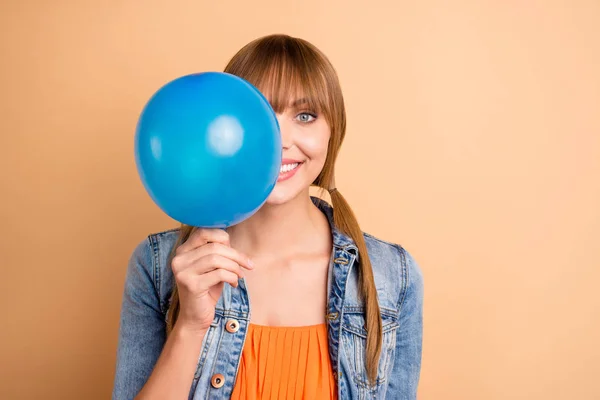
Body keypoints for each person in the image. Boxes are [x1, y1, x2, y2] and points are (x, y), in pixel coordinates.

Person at [112, 34, 423, 400]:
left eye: (305, 116)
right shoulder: (159, 267)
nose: (280, 140)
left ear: (331, 132)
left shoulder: (391, 278)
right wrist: (191, 326)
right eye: (259, 114)